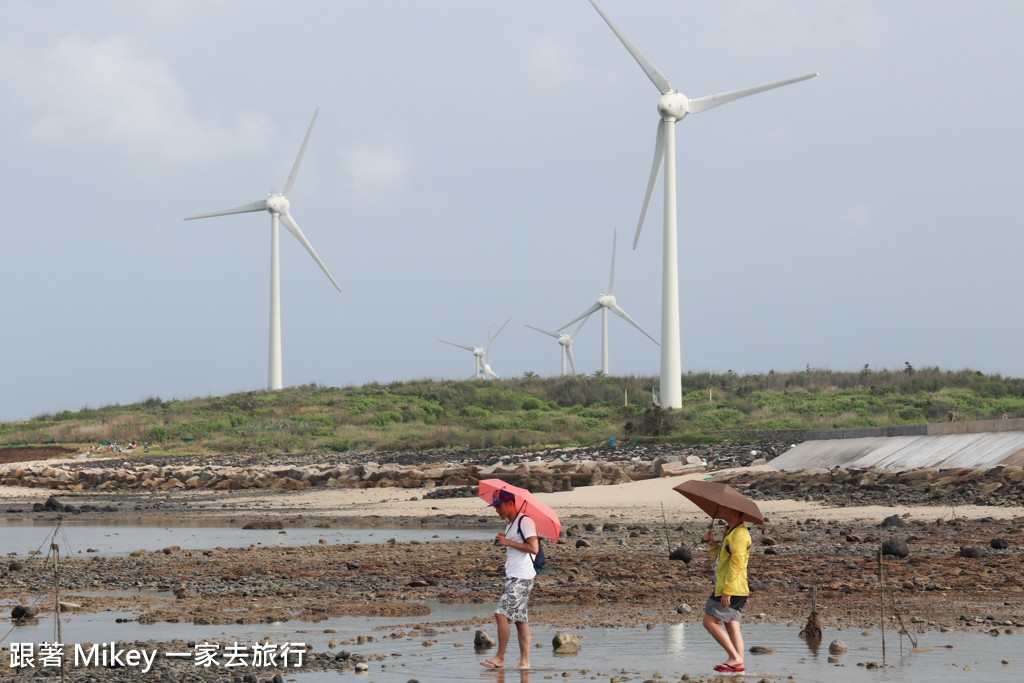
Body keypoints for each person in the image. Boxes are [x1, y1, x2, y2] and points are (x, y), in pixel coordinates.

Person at [481, 489, 539, 670]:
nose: (496, 510)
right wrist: (504, 539)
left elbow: (534, 548)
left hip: (522, 576)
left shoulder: (525, 521)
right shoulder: (510, 524)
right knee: (520, 620)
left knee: (501, 614)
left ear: (510, 503)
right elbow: (517, 545)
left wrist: (509, 543)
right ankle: (525, 663)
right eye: (495, 507)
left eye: (498, 506)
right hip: (514, 575)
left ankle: (500, 657)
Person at [702, 506, 752, 673]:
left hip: (732, 588)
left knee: (709, 622)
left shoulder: (739, 535)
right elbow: (723, 557)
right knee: (732, 626)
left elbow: (737, 564)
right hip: (737, 588)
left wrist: (727, 591)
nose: (720, 511)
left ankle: (734, 657)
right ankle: (739, 664)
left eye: (725, 509)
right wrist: (712, 545)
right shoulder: (730, 531)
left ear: (736, 512)